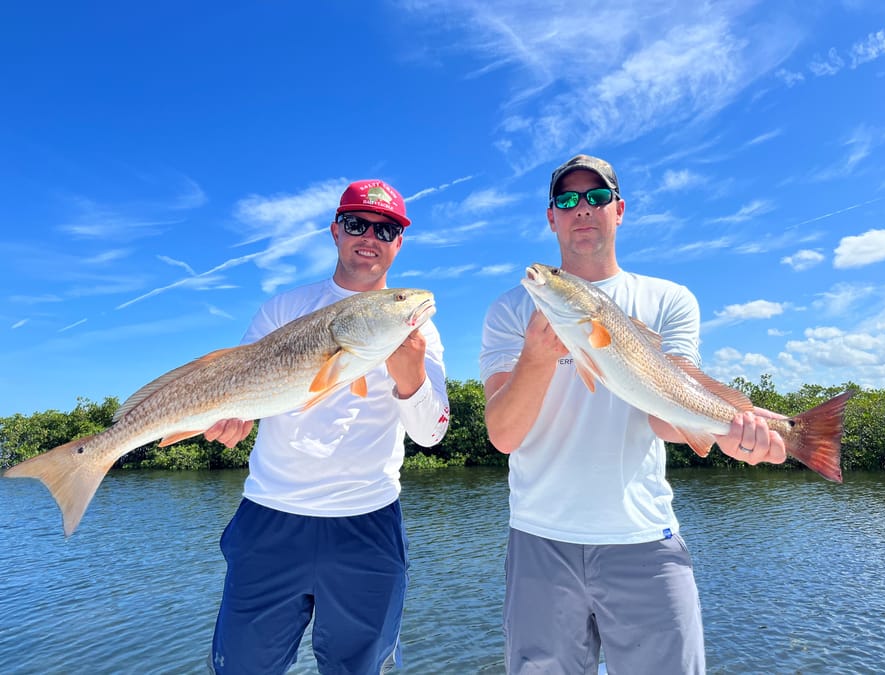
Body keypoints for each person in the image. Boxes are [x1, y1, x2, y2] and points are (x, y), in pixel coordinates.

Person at [479, 154, 787, 675]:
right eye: (567, 200)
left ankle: (797, 434)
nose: (583, 209)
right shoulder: (512, 310)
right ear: (550, 217)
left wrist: (736, 432)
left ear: (618, 211)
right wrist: (537, 354)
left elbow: (669, 416)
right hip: (538, 537)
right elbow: (504, 435)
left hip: (643, 538)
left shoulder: (669, 299)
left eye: (597, 198)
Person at [205, 179, 450, 675]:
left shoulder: (418, 331)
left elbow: (432, 434)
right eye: (358, 224)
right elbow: (242, 394)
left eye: (386, 229)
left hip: (368, 523)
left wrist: (412, 378)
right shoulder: (281, 309)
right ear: (336, 231)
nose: (370, 236)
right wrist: (230, 420)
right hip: (271, 516)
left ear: (399, 243)